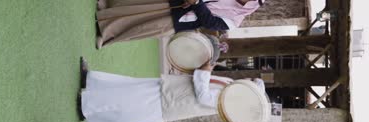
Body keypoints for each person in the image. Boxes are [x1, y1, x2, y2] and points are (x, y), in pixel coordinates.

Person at [78, 57, 266, 122]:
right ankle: (92, 81)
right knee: (129, 86)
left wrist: (203, 72)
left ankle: (88, 106)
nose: (248, 79)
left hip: (172, 101)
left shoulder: (230, 102)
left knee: (128, 101)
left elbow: (203, 96)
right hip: (172, 90)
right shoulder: (231, 87)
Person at [95, 0, 265, 48]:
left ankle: (108, 35)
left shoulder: (235, 20)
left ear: (253, 5)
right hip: (177, 1)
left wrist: (197, 3)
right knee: (138, 4)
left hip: (181, 19)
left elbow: (210, 22)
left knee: (141, 28)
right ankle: (107, 7)